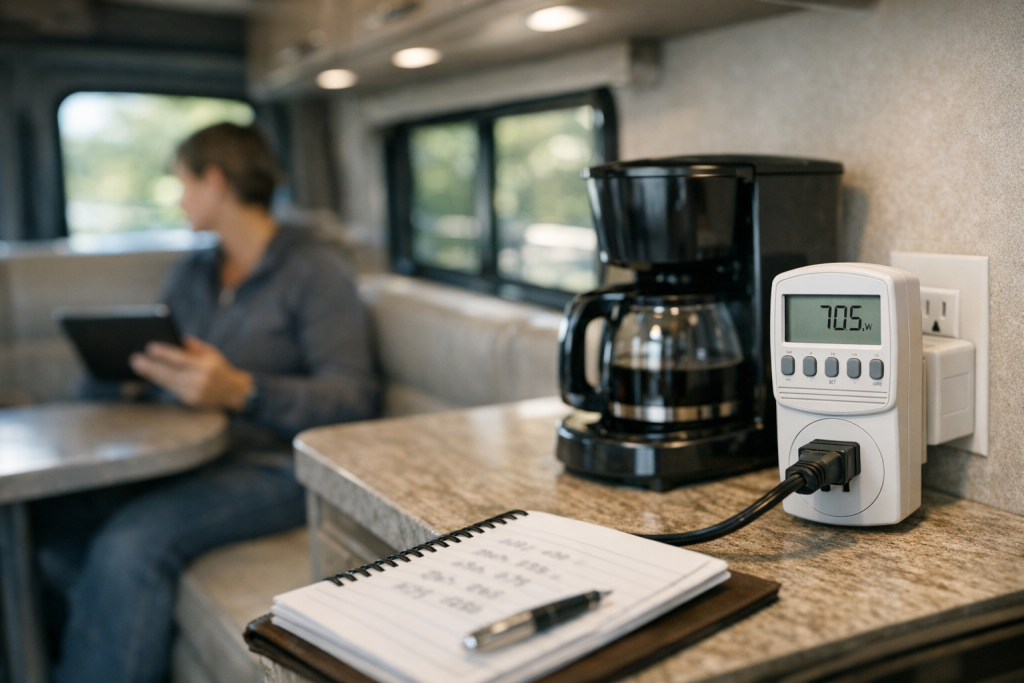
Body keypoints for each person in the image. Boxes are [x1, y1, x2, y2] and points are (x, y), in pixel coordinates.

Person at [33, 122, 379, 683]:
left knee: (130, 545)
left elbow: (353, 397)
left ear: (216, 182)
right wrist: (130, 376)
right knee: (52, 518)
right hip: (189, 453)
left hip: (274, 466)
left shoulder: (315, 269)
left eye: (184, 183)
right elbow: (147, 362)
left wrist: (243, 389)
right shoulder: (193, 271)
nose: (179, 199)